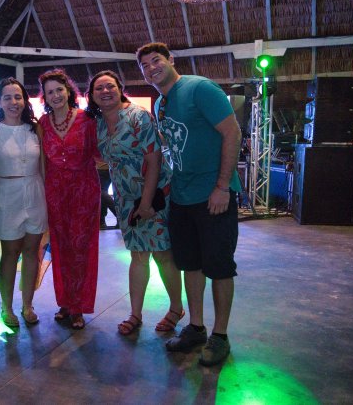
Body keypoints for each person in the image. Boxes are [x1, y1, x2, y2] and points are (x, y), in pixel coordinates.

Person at [137, 42, 242, 366]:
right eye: (144, 65)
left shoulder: (199, 88)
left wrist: (222, 186)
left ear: (171, 60)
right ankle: (196, 327)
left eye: (156, 60)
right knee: (190, 265)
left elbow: (232, 133)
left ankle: (220, 336)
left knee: (219, 267)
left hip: (213, 195)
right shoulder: (161, 104)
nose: (151, 68)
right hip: (182, 197)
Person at [87, 70, 184, 336]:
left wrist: (147, 202)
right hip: (125, 197)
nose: (105, 91)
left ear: (120, 88)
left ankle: (176, 309)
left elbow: (154, 159)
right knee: (138, 255)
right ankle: (135, 314)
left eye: (110, 86)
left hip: (153, 194)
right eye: (99, 88)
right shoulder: (98, 123)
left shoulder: (137, 116)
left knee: (163, 254)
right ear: (92, 96)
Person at [38, 69, 100, 329]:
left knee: (82, 248)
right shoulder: (43, 123)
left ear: (69, 91)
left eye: (59, 90)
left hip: (84, 191)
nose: (55, 95)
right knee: (60, 248)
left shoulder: (87, 119)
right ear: (45, 97)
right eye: (50, 92)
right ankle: (64, 301)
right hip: (55, 192)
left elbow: (101, 153)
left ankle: (79, 306)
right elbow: (42, 162)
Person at [0, 78, 47, 327]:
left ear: (24, 100)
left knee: (32, 251)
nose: (13, 102)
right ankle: (7, 307)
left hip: (35, 193)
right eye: (7, 97)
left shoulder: (35, 128)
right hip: (6, 195)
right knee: (10, 253)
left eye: (18, 97)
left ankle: (28, 304)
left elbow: (43, 166)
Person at [97, 160, 117, 229]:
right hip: (109, 167)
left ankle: (120, 217)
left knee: (101, 192)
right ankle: (101, 222)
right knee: (102, 194)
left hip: (100, 168)